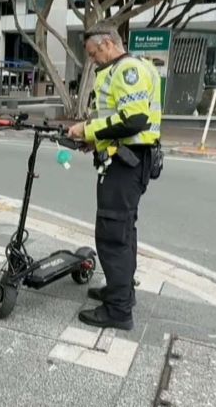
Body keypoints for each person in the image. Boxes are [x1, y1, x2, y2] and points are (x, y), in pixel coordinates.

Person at [68, 25, 163, 331]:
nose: (93, 60)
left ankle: (118, 310)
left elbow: (133, 120)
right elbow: (120, 117)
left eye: (94, 53)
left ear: (107, 43)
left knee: (112, 235)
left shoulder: (127, 70)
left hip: (126, 164)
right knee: (123, 231)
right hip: (128, 160)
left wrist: (88, 129)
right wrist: (95, 141)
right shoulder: (134, 67)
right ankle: (120, 291)